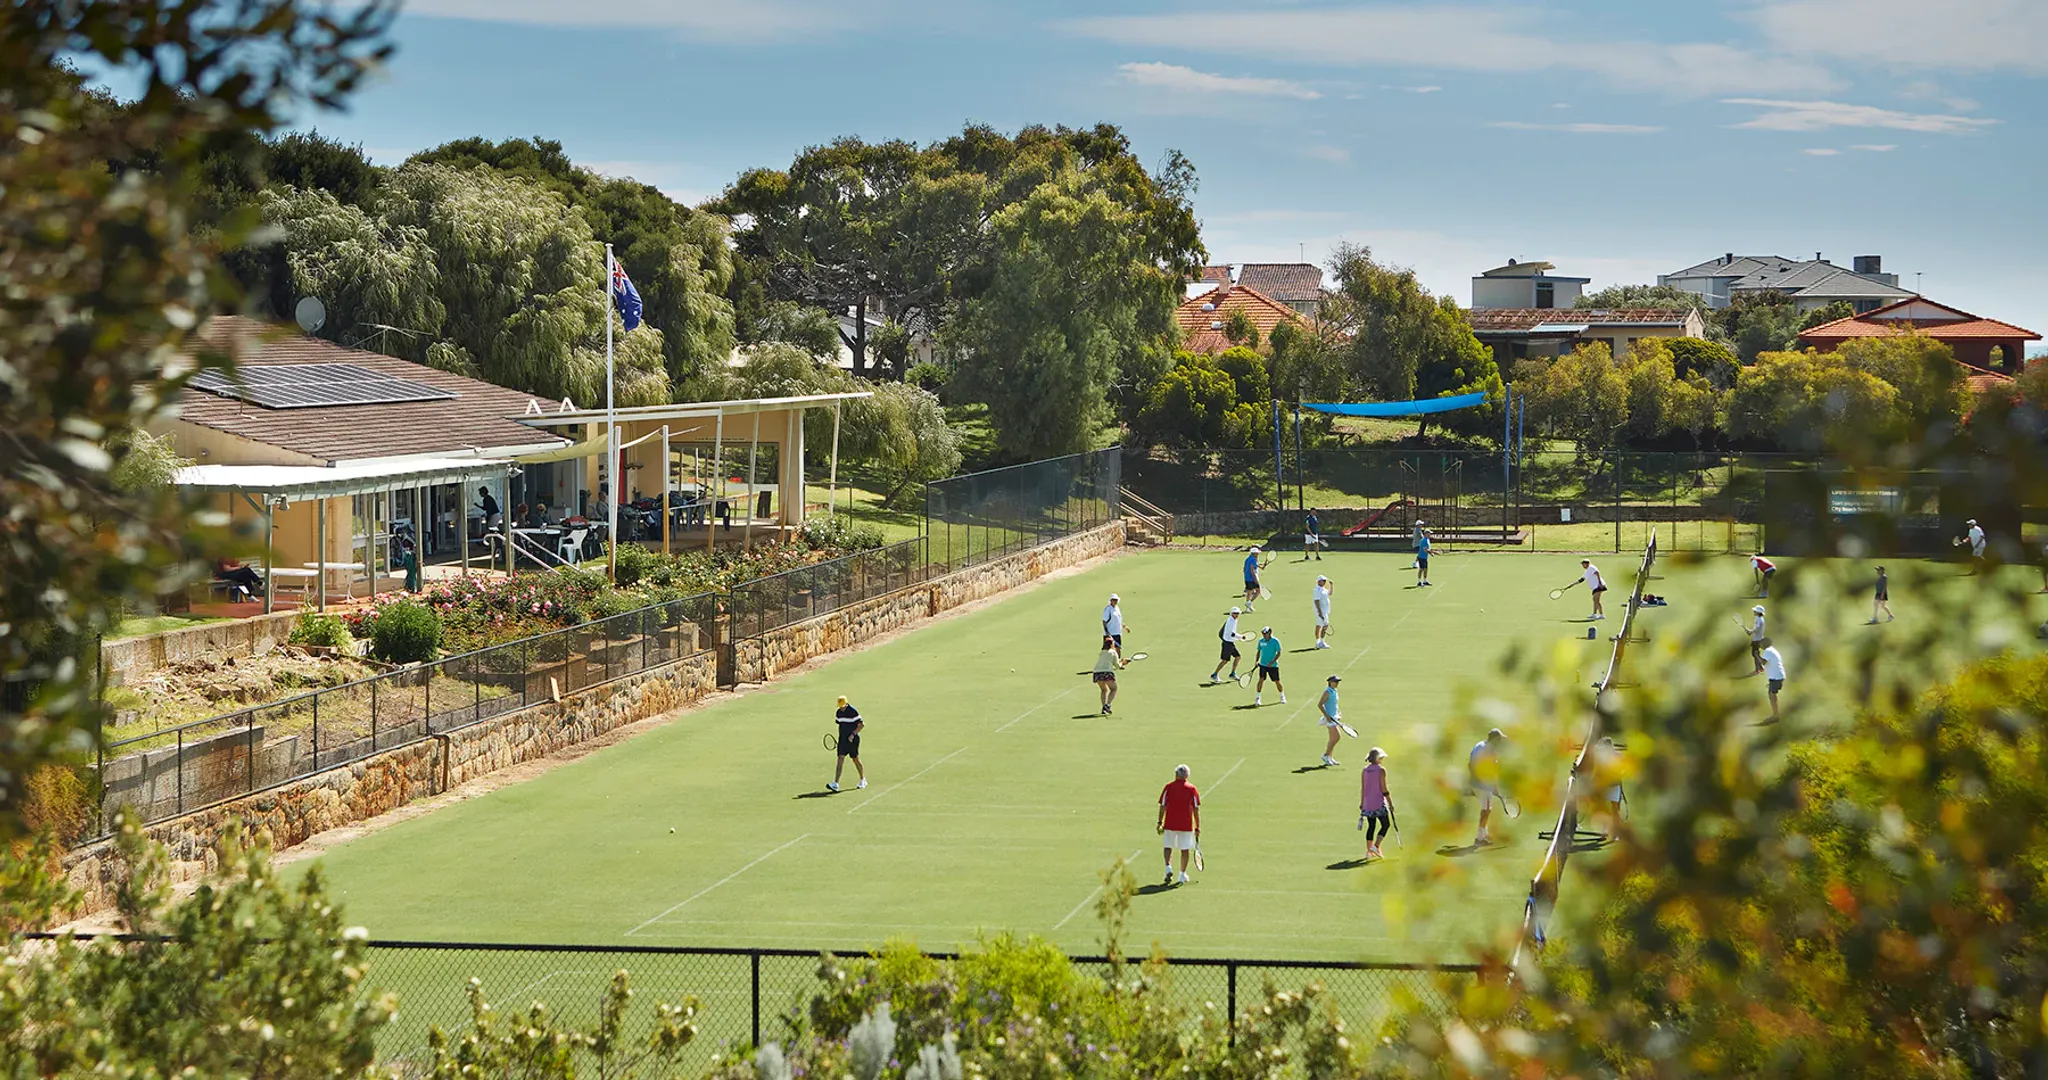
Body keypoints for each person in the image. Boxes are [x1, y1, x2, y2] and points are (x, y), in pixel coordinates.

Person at [1156, 764, 1201, 886]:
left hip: (1170, 823)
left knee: (1168, 846)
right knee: (1184, 849)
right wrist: (1197, 826)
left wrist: (1159, 822)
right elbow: (1196, 809)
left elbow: (1163, 806)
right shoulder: (1192, 789)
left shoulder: (1168, 787)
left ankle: (1168, 867)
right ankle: (1182, 874)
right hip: (1185, 825)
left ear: (1176, 774)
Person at [1469, 728, 1506, 846]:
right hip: (1484, 785)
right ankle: (1480, 838)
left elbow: (1470, 764)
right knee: (1486, 810)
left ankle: (1484, 834)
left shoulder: (1478, 745)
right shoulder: (1491, 751)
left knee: (1485, 808)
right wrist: (1494, 787)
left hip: (1474, 783)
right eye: (1499, 740)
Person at [1359, 747, 1394, 860]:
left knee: (1371, 826)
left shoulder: (1365, 770)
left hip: (1368, 803)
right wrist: (1390, 802)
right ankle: (1376, 846)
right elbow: (1384, 788)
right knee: (1385, 825)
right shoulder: (1381, 770)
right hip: (1378, 802)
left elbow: (1363, 788)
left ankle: (1369, 851)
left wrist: (1362, 803)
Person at [828, 695, 866, 792]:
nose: (841, 707)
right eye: (840, 706)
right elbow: (840, 725)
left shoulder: (853, 711)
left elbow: (861, 725)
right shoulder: (838, 713)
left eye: (843, 706)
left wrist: (853, 734)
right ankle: (835, 783)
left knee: (855, 759)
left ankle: (862, 779)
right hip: (843, 739)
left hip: (853, 739)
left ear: (846, 703)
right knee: (840, 759)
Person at [1209, 607, 1246, 684]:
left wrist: (1239, 638)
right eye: (1235, 613)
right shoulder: (1230, 621)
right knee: (1225, 660)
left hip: (1230, 642)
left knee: (1237, 657)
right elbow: (1232, 634)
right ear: (1231, 613)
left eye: (1237, 613)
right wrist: (1240, 636)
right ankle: (1214, 675)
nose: (1236, 615)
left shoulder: (1234, 620)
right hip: (1227, 644)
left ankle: (1232, 673)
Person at [1093, 635, 1127, 715]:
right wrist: (1123, 663)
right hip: (1107, 672)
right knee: (1113, 689)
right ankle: (1107, 705)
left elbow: (1109, 661)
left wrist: (1121, 661)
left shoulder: (1102, 652)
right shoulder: (1113, 652)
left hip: (1097, 673)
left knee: (1103, 690)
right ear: (1112, 644)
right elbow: (1117, 665)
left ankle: (1104, 707)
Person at [1252, 626, 1285, 706]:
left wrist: (1272, 662)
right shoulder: (1261, 641)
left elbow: (1279, 653)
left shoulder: (1275, 641)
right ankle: (1258, 698)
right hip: (1263, 665)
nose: (1264, 635)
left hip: (1273, 666)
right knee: (1261, 680)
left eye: (1265, 633)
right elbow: (1259, 651)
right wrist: (1256, 661)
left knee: (1277, 681)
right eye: (1263, 634)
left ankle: (1282, 696)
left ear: (1270, 633)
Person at [1317, 675, 1344, 767]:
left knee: (1333, 738)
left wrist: (1338, 713)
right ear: (1330, 682)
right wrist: (1327, 715)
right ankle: (1326, 755)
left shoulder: (1334, 691)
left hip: (1334, 717)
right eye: (1335, 682)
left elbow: (1334, 704)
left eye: (1337, 682)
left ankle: (1329, 757)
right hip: (1330, 718)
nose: (1337, 684)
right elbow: (1320, 704)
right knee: (1337, 737)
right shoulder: (1327, 692)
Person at [1759, 640, 1786, 721]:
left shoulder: (1768, 651)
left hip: (1776, 677)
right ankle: (1775, 714)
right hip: (1777, 676)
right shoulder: (1771, 650)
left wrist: (1757, 656)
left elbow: (1763, 662)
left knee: (1772, 695)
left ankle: (1775, 715)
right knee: (1772, 694)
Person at [1312, 575, 1333, 649]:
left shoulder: (1323, 589)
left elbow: (1330, 593)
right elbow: (1316, 601)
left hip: (1325, 611)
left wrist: (1331, 586)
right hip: (1321, 611)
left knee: (1320, 625)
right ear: (1318, 581)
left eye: (1325, 581)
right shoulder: (1317, 590)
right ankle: (1321, 642)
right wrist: (1319, 611)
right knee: (1324, 625)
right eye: (1323, 581)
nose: (1324, 582)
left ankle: (1319, 642)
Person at [1747, 604, 1768, 674]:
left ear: (1758, 612)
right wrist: (1751, 631)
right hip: (1757, 638)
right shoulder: (1759, 619)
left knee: (1755, 654)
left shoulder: (1759, 619)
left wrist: (1751, 631)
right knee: (1755, 654)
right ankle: (1760, 667)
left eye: (1755, 611)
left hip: (1757, 640)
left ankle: (1758, 669)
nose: (1754, 612)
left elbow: (1757, 628)